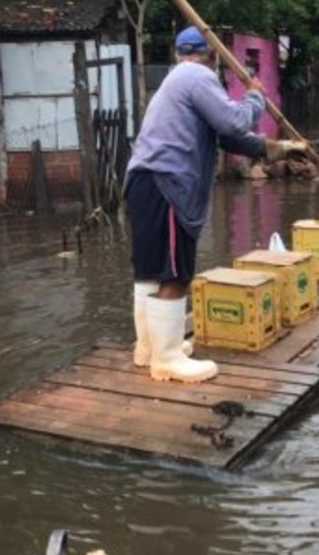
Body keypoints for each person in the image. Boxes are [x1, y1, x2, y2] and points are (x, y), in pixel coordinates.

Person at [124, 25, 305, 383]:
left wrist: (277, 148)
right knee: (176, 272)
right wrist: (254, 96)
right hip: (168, 184)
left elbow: (227, 137)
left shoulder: (177, 80)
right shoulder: (198, 77)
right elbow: (234, 121)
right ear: (210, 55)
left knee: (149, 272)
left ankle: (148, 349)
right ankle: (168, 358)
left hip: (144, 182)